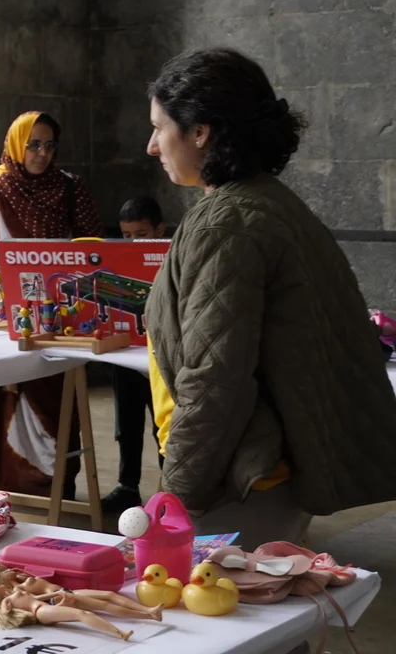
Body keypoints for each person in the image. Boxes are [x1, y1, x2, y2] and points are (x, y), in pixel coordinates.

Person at [144, 48, 396, 547]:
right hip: (261, 467)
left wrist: (177, 496)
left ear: (200, 132)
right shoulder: (265, 201)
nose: (152, 146)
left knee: (213, 595)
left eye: (159, 128)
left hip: (240, 478)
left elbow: (215, 380)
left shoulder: (226, 223)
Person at [0, 112, 104, 498]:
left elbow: (93, 245)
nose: (41, 153)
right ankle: (0, 485)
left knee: (53, 392)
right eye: (33, 144)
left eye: (49, 145)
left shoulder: (69, 188)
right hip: (2, 310)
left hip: (58, 313)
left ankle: (54, 485)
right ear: (17, 144)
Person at [101, 196, 167, 515]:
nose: (134, 242)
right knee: (126, 423)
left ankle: (169, 492)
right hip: (126, 351)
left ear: (160, 230)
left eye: (142, 234)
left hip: (160, 355)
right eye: (127, 235)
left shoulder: (171, 257)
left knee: (162, 424)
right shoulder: (118, 259)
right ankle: (127, 487)